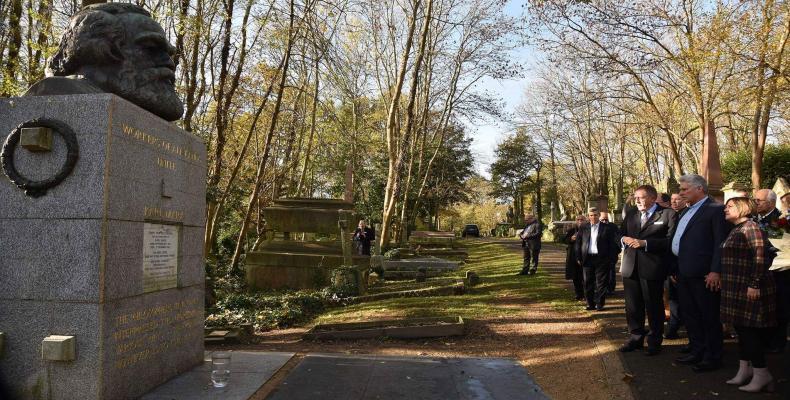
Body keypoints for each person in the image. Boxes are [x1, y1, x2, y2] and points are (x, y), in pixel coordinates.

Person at [25, 3, 184, 121]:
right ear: (99, 51)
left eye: (168, 53)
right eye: (151, 47)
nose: (169, 63)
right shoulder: (55, 92)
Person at [671, 174, 730, 372]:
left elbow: (720, 243)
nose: (680, 193)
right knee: (691, 315)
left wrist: (715, 270)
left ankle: (713, 357)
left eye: (684, 189)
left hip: (705, 275)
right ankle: (697, 351)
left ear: (699, 189)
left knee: (708, 316)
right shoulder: (685, 211)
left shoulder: (715, 210)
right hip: (684, 272)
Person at [720, 197, 777, 393]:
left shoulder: (750, 227)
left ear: (743, 208)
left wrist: (754, 284)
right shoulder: (737, 229)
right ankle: (745, 370)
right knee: (742, 331)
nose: (725, 209)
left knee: (749, 332)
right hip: (736, 288)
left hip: (748, 288)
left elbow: (760, 256)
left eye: (729, 206)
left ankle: (762, 373)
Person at [618, 185, 677, 355]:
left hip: (653, 267)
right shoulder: (631, 214)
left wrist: (646, 244)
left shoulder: (668, 214)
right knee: (632, 306)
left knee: (653, 305)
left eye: (641, 197)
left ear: (652, 198)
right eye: (635, 197)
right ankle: (635, 338)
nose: (636, 201)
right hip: (630, 267)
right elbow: (619, 234)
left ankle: (654, 340)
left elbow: (671, 241)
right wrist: (623, 239)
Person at [754, 189, 788, 354]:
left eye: (759, 200)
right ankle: (764, 338)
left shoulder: (782, 220)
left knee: (779, 306)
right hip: (757, 269)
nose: (756, 203)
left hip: (777, 270)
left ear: (771, 202)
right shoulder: (753, 219)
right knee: (761, 305)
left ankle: (778, 341)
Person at [575, 208, 620, 311]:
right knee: (587, 282)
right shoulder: (583, 227)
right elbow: (578, 243)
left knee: (601, 283)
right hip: (587, 259)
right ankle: (590, 303)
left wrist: (612, 258)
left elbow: (613, 245)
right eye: (591, 215)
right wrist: (578, 256)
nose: (593, 217)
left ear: (599, 215)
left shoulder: (607, 228)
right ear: (588, 216)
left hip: (602, 259)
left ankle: (600, 304)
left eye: (595, 215)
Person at [666, 193, 688, 340]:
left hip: (684, 266)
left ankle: (677, 326)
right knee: (673, 298)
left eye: (677, 199)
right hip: (672, 266)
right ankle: (673, 327)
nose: (674, 202)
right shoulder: (671, 216)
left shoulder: (685, 215)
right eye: (672, 200)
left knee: (684, 300)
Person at [564, 215, 587, 300]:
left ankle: (586, 294)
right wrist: (571, 239)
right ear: (576, 221)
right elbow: (565, 240)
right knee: (575, 277)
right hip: (573, 257)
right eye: (578, 219)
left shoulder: (588, 229)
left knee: (585, 277)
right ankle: (578, 294)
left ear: (585, 220)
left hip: (585, 256)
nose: (580, 221)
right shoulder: (572, 230)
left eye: (582, 219)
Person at [600, 211, 617, 294]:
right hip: (599, 255)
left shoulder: (613, 227)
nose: (604, 222)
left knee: (611, 273)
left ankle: (610, 289)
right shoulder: (596, 227)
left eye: (606, 220)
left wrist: (616, 251)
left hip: (611, 254)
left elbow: (618, 239)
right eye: (602, 220)